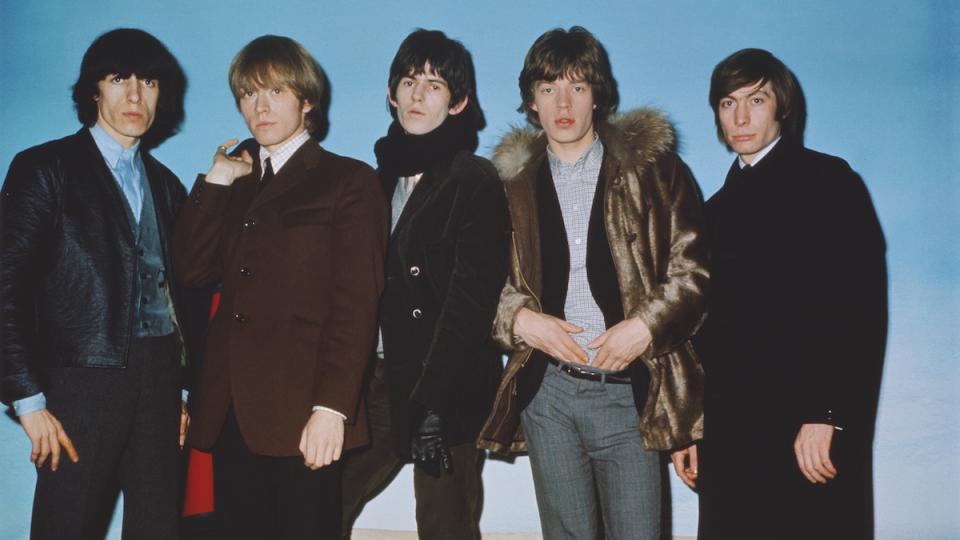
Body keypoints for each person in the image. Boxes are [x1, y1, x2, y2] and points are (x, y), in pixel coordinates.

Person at [477, 26, 709, 540]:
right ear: (531, 101)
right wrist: (519, 319)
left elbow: (695, 271)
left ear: (597, 95)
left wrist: (644, 328)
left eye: (577, 87)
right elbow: (475, 280)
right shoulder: (505, 185)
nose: (563, 102)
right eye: (548, 89)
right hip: (549, 396)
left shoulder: (654, 171)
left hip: (631, 393)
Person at [172, 35, 387, 539]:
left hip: (304, 413)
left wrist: (332, 408)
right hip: (230, 414)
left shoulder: (348, 182)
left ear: (306, 100)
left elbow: (356, 305)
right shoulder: (238, 184)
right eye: (248, 94)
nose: (259, 106)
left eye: (274, 91)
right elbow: (190, 271)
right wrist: (217, 180)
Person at [676, 48, 887, 539]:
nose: (742, 116)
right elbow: (698, 335)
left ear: (783, 107)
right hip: (730, 438)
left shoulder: (830, 182)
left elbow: (861, 310)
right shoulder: (710, 214)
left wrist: (828, 413)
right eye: (728, 104)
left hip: (808, 431)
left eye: (757, 99)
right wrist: (689, 429)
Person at [1, 28, 193, 538]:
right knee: (66, 527)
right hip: (78, 385)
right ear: (93, 91)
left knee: (157, 527)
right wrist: (27, 400)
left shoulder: (168, 185)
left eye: (148, 82)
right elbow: (6, 286)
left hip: (158, 383)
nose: (134, 95)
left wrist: (179, 391)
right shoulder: (45, 168)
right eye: (118, 79)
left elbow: (174, 298)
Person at [339, 29, 510, 540]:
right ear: (391, 94)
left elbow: (470, 302)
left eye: (434, 85)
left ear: (458, 103)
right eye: (410, 81)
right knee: (322, 506)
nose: (418, 94)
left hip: (447, 385)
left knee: (445, 527)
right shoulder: (372, 181)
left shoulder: (473, 179)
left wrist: (433, 401)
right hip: (377, 383)